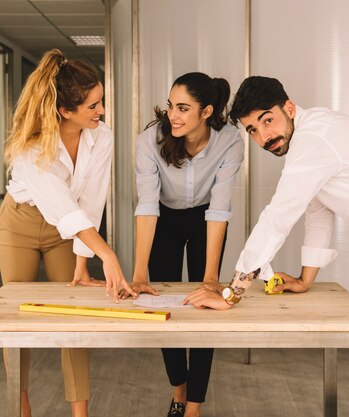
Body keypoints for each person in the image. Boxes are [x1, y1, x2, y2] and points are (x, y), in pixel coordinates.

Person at [184, 76, 349, 417]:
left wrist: (232, 293)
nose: (263, 136)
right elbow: (318, 210)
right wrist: (305, 279)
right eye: (252, 130)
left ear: (289, 108)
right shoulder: (307, 140)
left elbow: (279, 216)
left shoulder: (314, 140)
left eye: (267, 120)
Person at [0, 49, 136, 417]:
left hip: (70, 228)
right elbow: (62, 206)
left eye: (101, 101)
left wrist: (82, 263)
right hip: (21, 224)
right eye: (93, 105)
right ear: (64, 111)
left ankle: (80, 413)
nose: (102, 111)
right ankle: (21, 408)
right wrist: (107, 253)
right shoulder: (30, 147)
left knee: (74, 317)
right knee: (17, 319)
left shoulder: (100, 136)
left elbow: (91, 201)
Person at [120, 72, 244, 417]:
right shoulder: (150, 139)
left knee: (207, 308)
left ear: (206, 112)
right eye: (172, 105)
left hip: (207, 218)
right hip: (164, 219)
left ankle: (193, 406)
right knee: (161, 308)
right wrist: (139, 272)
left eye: (183, 108)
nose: (173, 114)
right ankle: (178, 391)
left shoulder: (230, 140)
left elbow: (220, 209)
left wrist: (209, 279)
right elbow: (146, 205)